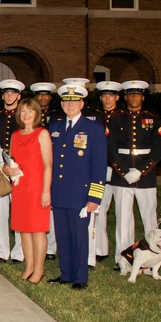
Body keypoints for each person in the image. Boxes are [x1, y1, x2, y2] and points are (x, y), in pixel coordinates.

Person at [47, 83, 107, 290]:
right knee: (62, 236)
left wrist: (94, 198)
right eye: (66, 101)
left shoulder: (94, 129)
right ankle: (66, 273)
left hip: (80, 195)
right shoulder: (54, 127)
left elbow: (99, 166)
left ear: (82, 104)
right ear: (62, 104)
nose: (69, 105)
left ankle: (80, 277)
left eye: (74, 101)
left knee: (79, 237)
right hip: (59, 192)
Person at [108, 80, 161, 261]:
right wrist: (124, 171)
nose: (134, 97)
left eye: (137, 94)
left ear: (143, 97)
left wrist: (141, 170)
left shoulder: (154, 119)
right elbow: (110, 148)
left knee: (149, 217)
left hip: (146, 176)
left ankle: (152, 257)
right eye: (130, 94)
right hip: (121, 176)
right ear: (125, 97)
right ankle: (123, 257)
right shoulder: (116, 119)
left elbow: (158, 149)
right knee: (123, 218)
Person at [5, 98, 52, 283]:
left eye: (30, 111)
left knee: (37, 229)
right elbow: (11, 161)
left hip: (37, 187)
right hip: (20, 187)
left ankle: (39, 269)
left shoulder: (42, 134)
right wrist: (7, 170)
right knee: (23, 229)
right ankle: (29, 266)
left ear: (36, 113)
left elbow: (48, 165)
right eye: (23, 111)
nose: (26, 115)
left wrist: (46, 191)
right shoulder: (15, 135)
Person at [0, 79, 24, 264]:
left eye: (13, 93)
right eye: (6, 93)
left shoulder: (25, 116)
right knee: (0, 213)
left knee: (19, 211)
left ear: (19, 96)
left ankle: (19, 252)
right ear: (2, 96)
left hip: (20, 171)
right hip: (0, 170)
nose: (9, 96)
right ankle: (2, 252)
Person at [92, 80, 123, 266]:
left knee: (121, 212)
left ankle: (123, 252)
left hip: (120, 170)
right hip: (100, 169)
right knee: (99, 209)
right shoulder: (95, 117)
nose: (107, 99)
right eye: (104, 96)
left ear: (117, 97)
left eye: (111, 95)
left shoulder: (124, 117)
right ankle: (100, 249)